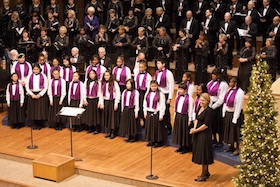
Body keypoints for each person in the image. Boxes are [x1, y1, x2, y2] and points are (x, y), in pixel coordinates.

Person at [190, 93, 214, 182]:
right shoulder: (200, 108)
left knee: (204, 154)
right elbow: (197, 119)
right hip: (198, 133)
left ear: (207, 101)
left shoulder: (209, 111)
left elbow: (206, 125)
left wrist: (196, 131)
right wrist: (194, 128)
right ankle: (206, 172)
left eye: (203, 100)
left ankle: (204, 174)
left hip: (204, 135)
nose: (201, 102)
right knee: (200, 152)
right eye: (200, 100)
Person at [223, 77, 244, 156]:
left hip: (235, 114)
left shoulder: (240, 92)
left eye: (232, 82)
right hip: (229, 113)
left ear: (235, 83)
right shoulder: (229, 90)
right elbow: (225, 101)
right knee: (229, 131)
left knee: (236, 132)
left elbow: (238, 106)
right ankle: (231, 146)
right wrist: (224, 111)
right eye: (229, 82)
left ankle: (238, 148)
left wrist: (235, 118)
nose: (230, 84)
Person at [207, 68, 228, 146]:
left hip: (218, 106)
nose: (213, 76)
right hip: (210, 104)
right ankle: (214, 139)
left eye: (215, 74)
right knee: (212, 123)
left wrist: (213, 107)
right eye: (212, 74)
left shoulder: (223, 84)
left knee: (218, 123)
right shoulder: (210, 83)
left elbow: (221, 98)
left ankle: (220, 141)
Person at [154, 58, 175, 135]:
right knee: (159, 110)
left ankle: (168, 127)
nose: (157, 65)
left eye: (159, 63)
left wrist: (170, 97)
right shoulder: (156, 72)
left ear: (163, 64)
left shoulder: (168, 73)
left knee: (166, 111)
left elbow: (171, 86)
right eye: (157, 64)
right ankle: (161, 126)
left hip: (165, 94)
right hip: (158, 93)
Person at [143, 80, 166, 148]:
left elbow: (162, 105)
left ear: (157, 86)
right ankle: (151, 140)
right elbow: (144, 103)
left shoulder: (160, 94)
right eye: (152, 86)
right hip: (149, 112)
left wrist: (161, 114)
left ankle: (157, 141)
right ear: (150, 86)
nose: (153, 87)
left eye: (155, 86)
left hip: (156, 113)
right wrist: (145, 111)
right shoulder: (147, 93)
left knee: (156, 128)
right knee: (150, 127)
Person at [26, 64, 48, 130]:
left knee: (40, 110)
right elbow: (27, 86)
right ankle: (34, 124)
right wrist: (32, 94)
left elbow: (46, 86)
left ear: (39, 69)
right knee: (33, 110)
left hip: (40, 94)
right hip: (32, 94)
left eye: (37, 69)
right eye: (34, 69)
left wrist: (40, 94)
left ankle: (40, 124)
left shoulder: (43, 76)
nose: (35, 71)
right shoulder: (29, 76)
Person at [172, 83, 194, 154]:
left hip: (185, 116)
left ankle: (185, 147)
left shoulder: (189, 98)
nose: (179, 91)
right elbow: (175, 106)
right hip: (178, 115)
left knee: (184, 132)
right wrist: (175, 115)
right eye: (179, 89)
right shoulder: (177, 97)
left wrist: (190, 119)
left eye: (181, 89)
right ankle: (180, 146)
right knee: (179, 131)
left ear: (185, 90)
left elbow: (190, 109)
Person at [99, 70, 121, 139]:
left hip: (112, 101)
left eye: (107, 75)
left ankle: (113, 132)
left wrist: (116, 103)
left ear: (110, 76)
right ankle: (108, 131)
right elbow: (101, 94)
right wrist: (101, 103)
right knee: (107, 117)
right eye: (105, 75)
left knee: (112, 118)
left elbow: (118, 94)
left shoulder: (114, 83)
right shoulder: (103, 83)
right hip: (106, 101)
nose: (106, 77)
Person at [81, 70, 101, 134]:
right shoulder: (86, 81)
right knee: (89, 115)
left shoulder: (98, 82)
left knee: (95, 115)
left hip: (95, 100)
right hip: (88, 99)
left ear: (95, 74)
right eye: (90, 74)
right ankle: (90, 128)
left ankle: (96, 128)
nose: (91, 75)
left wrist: (100, 102)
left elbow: (100, 93)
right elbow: (83, 91)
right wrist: (84, 99)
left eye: (93, 74)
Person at [134, 60, 152, 126]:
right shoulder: (137, 75)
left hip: (144, 92)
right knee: (138, 105)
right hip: (138, 92)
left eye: (142, 67)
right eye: (139, 67)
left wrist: (146, 95)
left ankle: (145, 121)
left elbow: (148, 87)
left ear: (145, 67)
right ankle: (138, 121)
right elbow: (135, 84)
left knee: (143, 106)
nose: (140, 69)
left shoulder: (148, 76)